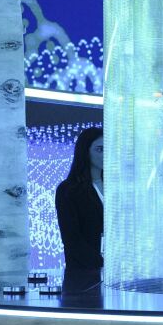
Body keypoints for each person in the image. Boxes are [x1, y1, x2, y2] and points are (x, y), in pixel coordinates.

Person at [53, 125, 104, 295]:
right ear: (85, 151)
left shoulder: (117, 188)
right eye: (99, 149)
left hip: (119, 276)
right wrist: (102, 263)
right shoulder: (68, 190)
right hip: (83, 277)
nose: (105, 155)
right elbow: (72, 239)